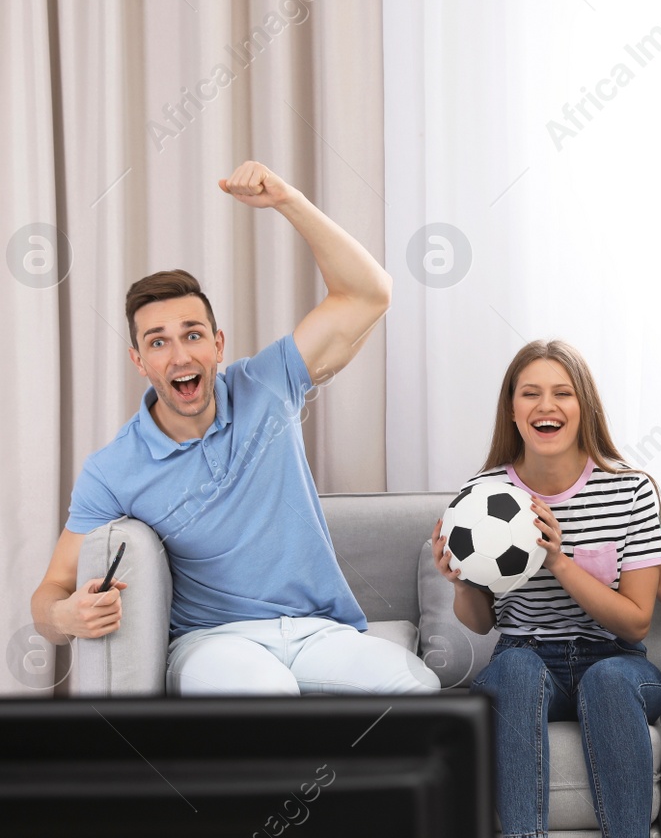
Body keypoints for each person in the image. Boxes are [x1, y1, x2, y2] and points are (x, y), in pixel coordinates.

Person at [31, 161, 439, 696]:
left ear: (218, 345)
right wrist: (67, 618)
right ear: (139, 361)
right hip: (214, 643)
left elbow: (370, 293)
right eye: (158, 342)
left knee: (422, 693)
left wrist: (288, 199)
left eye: (192, 334)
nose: (179, 355)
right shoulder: (113, 469)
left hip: (318, 630)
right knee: (269, 697)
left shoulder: (266, 384)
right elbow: (50, 592)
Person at [434, 340, 661, 838]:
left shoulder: (629, 489)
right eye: (530, 393)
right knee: (507, 673)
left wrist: (558, 559)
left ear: (583, 406)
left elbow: (637, 620)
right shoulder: (479, 496)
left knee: (609, 682)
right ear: (512, 410)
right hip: (525, 654)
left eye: (562, 392)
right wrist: (460, 582)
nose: (546, 405)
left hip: (616, 659)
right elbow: (481, 624)